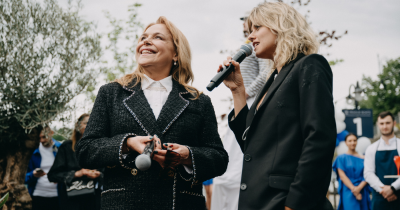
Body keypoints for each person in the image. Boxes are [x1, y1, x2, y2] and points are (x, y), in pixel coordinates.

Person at [75, 16, 229, 210]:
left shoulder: (198, 100)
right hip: (123, 204)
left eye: (157, 37)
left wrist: (186, 155)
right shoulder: (111, 92)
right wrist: (127, 143)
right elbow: (85, 150)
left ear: (176, 54)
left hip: (181, 203)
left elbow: (219, 158)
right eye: (143, 37)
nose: (145, 41)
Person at [219, 2, 336, 210]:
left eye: (257, 28)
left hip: (286, 201)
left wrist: (295, 204)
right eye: (249, 30)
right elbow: (251, 145)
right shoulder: (272, 81)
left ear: (279, 25)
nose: (250, 36)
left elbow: (319, 139)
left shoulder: (309, 65)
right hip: (259, 201)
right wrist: (238, 91)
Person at [211, 13, 270, 210]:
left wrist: (246, 93)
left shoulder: (259, 49)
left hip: (252, 98)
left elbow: (265, 75)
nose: (247, 29)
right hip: (241, 97)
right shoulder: (245, 46)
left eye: (253, 26)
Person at [48, 114, 103, 210]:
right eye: (86, 123)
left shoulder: (100, 147)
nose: (90, 125)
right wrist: (77, 174)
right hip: (72, 201)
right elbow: (52, 175)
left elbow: (107, 172)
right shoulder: (66, 147)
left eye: (93, 123)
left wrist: (99, 174)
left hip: (94, 200)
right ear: (78, 126)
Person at [364, 111, 400, 210]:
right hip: (380, 197)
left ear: (394, 123)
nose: (384, 126)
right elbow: (368, 173)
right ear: (378, 125)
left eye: (388, 123)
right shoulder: (371, 148)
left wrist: (392, 188)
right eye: (381, 123)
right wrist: (385, 191)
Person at [25, 126, 62, 210]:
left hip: (58, 195)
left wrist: (60, 177)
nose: (41, 140)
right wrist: (33, 174)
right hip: (38, 194)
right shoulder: (33, 151)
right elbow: (24, 177)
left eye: (44, 137)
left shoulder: (61, 148)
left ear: (51, 133)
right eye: (39, 138)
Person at [333, 133, 371, 210]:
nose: (352, 142)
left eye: (354, 140)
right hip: (348, 189)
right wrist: (355, 190)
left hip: (362, 188)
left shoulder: (364, 158)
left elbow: (368, 174)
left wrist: (359, 188)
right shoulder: (341, 158)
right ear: (346, 143)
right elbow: (342, 176)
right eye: (350, 141)